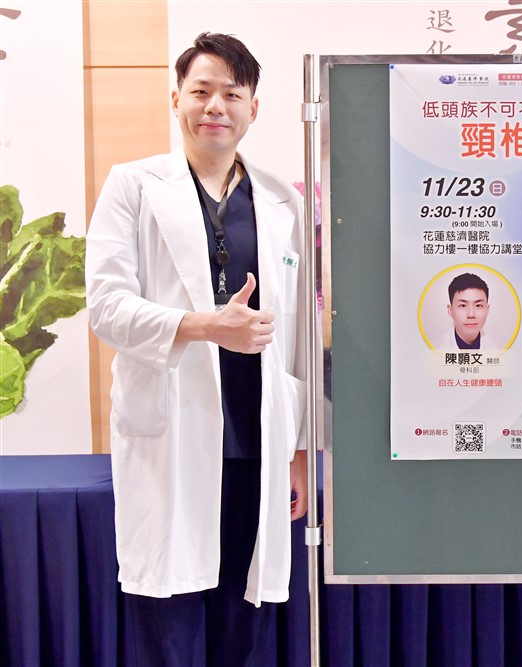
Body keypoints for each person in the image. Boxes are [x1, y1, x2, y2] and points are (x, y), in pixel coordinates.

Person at [85, 33, 309, 666]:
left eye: (231, 95)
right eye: (201, 91)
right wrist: (204, 326)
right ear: (176, 99)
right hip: (172, 435)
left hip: (256, 440)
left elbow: (296, 333)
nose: (215, 106)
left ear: (253, 109)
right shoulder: (133, 186)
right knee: (169, 616)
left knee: (242, 618)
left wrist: (297, 450)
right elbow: (105, 307)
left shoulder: (282, 202)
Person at [437, 272, 498, 350]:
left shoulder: (500, 349)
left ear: (487, 310)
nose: (471, 314)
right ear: (450, 310)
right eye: (462, 305)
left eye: (478, 305)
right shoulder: (432, 349)